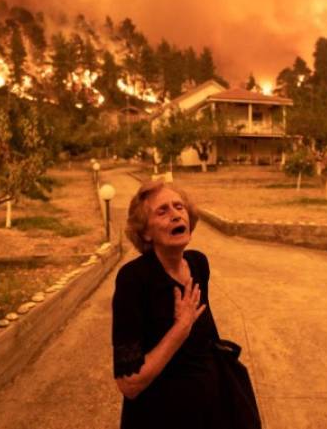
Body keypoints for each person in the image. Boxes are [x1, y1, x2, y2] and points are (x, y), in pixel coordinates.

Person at [111, 179, 258, 429]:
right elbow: (129, 384)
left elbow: (205, 343)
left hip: (213, 411)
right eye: (162, 211)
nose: (175, 215)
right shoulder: (133, 280)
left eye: (179, 207)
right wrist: (180, 329)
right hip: (163, 416)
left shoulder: (198, 263)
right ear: (146, 232)